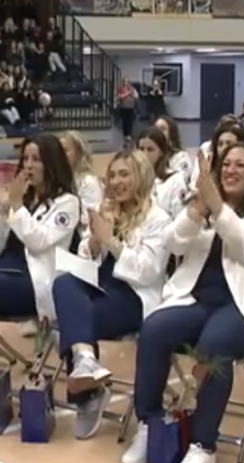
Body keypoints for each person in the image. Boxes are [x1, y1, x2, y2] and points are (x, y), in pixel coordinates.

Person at [121, 143, 244, 463]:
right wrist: (197, 211)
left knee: (214, 345)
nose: (231, 170)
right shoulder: (204, 205)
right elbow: (173, 244)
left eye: (241, 165)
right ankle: (151, 423)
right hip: (197, 300)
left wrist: (218, 207)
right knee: (154, 329)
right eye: (226, 164)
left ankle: (203, 446)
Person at [51, 150, 170, 441]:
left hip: (133, 297)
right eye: (112, 175)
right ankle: (86, 361)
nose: (116, 181)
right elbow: (86, 259)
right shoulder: (108, 211)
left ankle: (88, 394)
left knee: (73, 319)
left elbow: (148, 272)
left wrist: (111, 241)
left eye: (124, 174)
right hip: (100, 286)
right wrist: (92, 241)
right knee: (64, 283)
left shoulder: (159, 219)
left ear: (140, 176)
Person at [0, 133, 79, 325]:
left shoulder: (67, 203)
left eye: (36, 159)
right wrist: (3, 214)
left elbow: (38, 242)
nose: (28, 165)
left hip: (31, 281)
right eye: (25, 159)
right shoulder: (23, 197)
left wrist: (16, 207)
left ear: (51, 163)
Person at [137, 126, 188, 219]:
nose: (144, 154)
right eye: (141, 149)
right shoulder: (132, 179)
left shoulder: (175, 179)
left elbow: (179, 217)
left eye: (150, 149)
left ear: (161, 152)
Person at [59, 130, 103, 230]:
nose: (60, 155)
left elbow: (89, 218)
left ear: (79, 153)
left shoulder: (88, 182)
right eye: (58, 151)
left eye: (65, 151)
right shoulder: (57, 181)